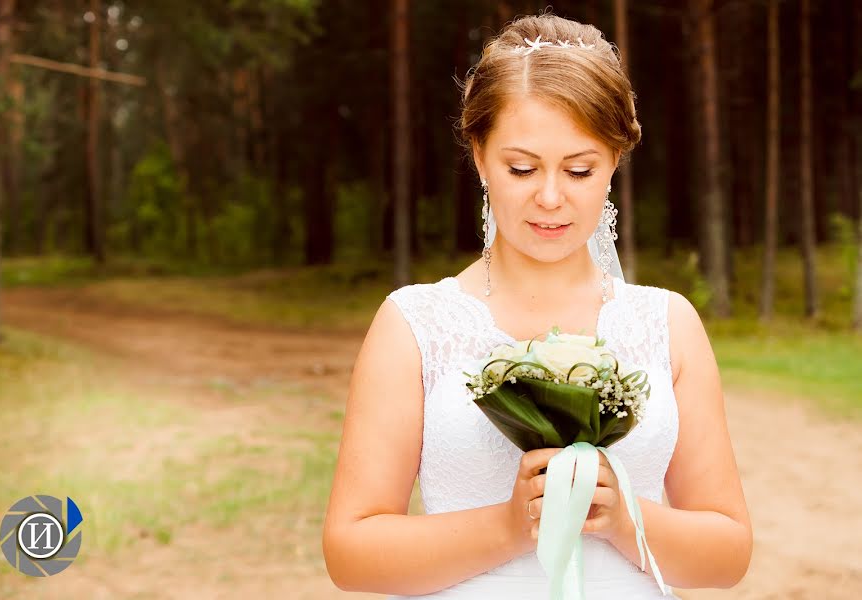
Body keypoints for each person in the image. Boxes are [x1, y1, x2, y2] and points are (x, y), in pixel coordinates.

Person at [322, 13, 752, 600]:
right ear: (479, 156)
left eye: (580, 169)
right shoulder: (415, 324)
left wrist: (627, 521)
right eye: (521, 168)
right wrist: (509, 526)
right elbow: (350, 555)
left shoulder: (667, 324)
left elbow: (727, 556)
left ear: (614, 163)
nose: (550, 198)